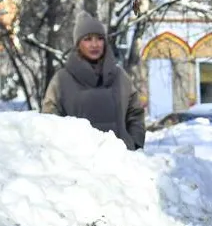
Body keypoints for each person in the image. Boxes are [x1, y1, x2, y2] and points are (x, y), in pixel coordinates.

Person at [41, 14, 145, 150]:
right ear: (78, 43)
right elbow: (49, 120)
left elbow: (135, 112)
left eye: (100, 39)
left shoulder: (120, 77)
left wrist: (134, 143)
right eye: (88, 39)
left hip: (121, 163)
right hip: (78, 164)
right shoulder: (61, 80)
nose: (95, 44)